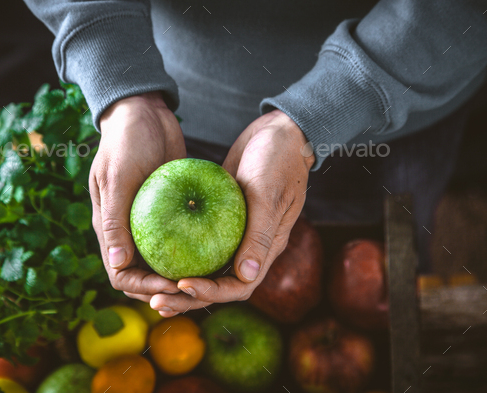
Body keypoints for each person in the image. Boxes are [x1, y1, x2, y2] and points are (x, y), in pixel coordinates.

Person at [24, 0, 487, 317]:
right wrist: (127, 96)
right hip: (179, 108)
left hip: (394, 102)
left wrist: (326, 110)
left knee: (384, 268)